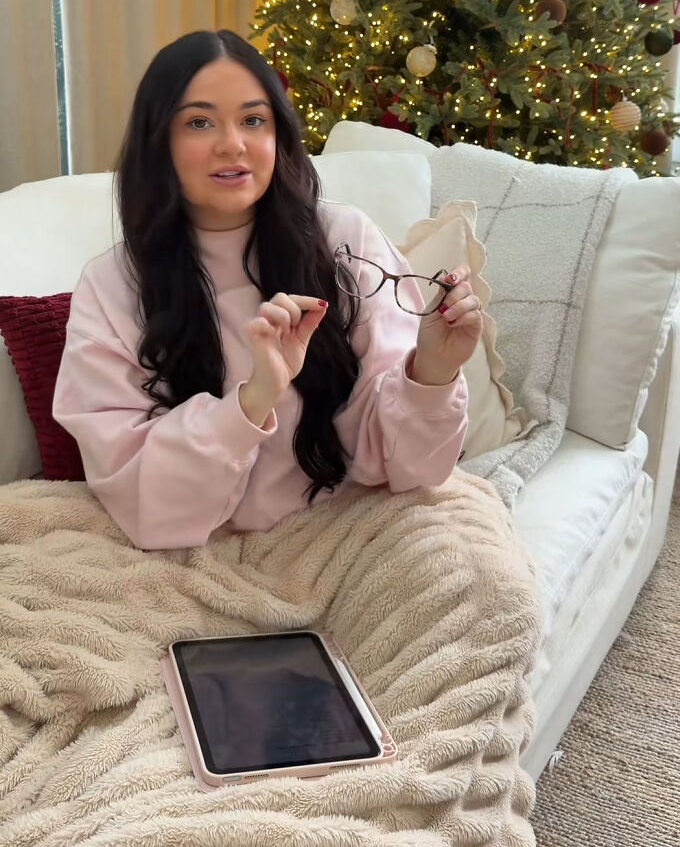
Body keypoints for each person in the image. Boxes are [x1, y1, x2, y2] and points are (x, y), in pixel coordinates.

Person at [52, 30, 484, 549]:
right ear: (159, 142)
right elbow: (142, 502)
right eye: (199, 121)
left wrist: (432, 372)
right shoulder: (111, 287)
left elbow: (411, 470)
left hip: (350, 532)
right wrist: (255, 399)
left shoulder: (347, 241)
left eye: (253, 120)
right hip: (196, 550)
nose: (233, 143)